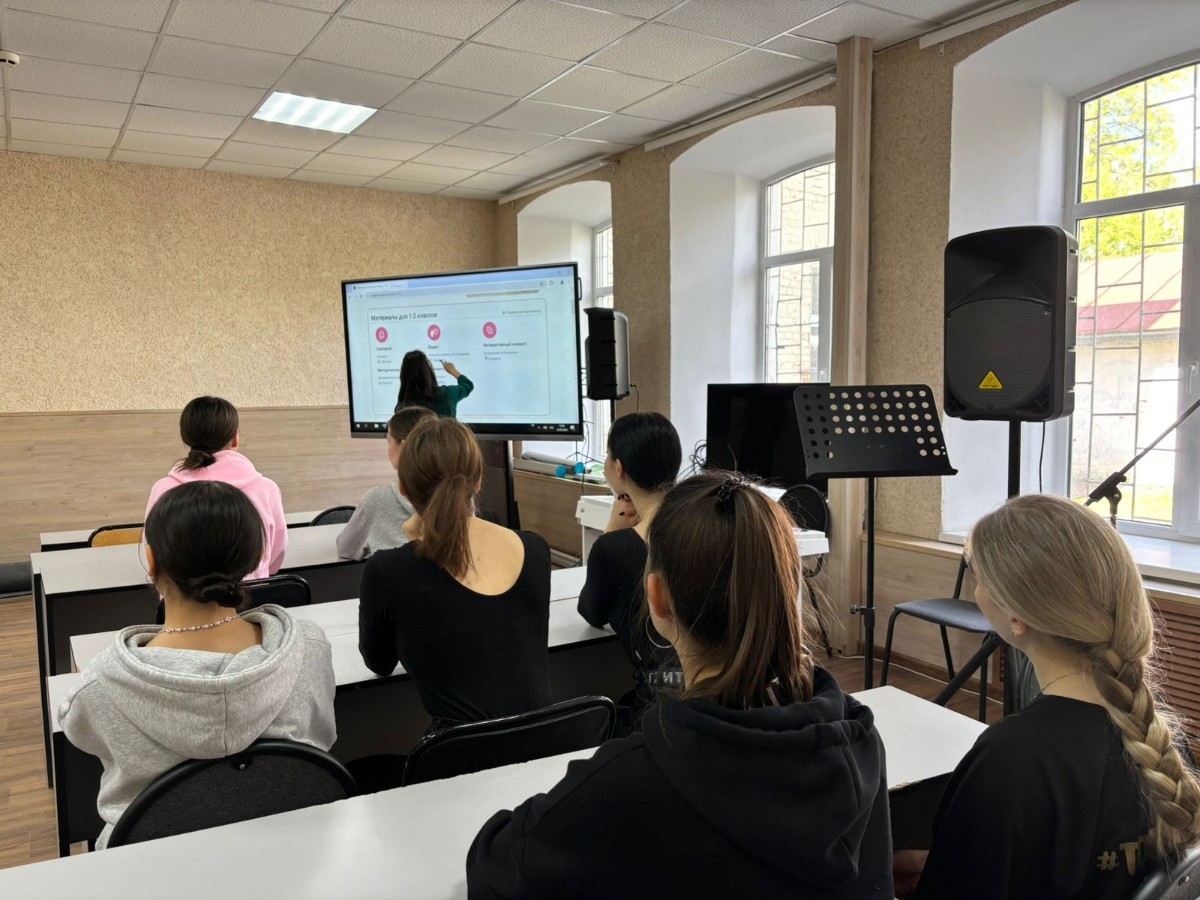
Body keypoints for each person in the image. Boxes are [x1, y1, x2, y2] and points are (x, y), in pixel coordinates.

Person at [467, 472, 894, 899]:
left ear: (657, 597)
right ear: (786, 588)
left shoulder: (630, 781)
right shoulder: (860, 741)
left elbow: (495, 865)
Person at [896, 494, 1200, 900]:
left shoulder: (1012, 760)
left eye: (979, 579)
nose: (976, 591)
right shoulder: (1162, 743)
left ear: (1017, 617)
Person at [59, 481, 336, 849]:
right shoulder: (311, 648)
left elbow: (79, 733)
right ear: (256, 557)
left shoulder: (98, 687)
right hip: (292, 849)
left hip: (150, 867)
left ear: (152, 561)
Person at [357, 417, 551, 747]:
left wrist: (414, 540)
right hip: (544, 746)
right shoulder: (535, 549)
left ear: (404, 488)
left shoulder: (387, 570)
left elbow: (380, 662)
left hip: (459, 758)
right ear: (478, 481)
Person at [577, 412, 683, 734]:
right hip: (718, 701)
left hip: (656, 715)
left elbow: (592, 612)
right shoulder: (702, 528)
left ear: (618, 468)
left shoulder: (615, 549)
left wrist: (611, 532)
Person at [147, 396, 286, 579]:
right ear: (235, 438)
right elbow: (275, 554)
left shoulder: (163, 489)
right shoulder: (266, 489)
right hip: (251, 594)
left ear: (185, 437)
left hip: (179, 597)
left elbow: (154, 551)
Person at [336, 406, 435, 561]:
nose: (388, 449)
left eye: (389, 441)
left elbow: (345, 548)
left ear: (404, 448)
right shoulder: (460, 498)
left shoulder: (376, 500)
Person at [394, 350, 473, 418]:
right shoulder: (448, 394)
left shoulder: (401, 409)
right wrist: (453, 370)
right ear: (428, 372)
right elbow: (468, 385)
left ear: (403, 376)